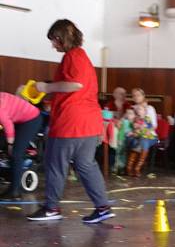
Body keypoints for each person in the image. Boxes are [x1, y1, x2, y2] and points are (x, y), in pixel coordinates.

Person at [27, 19, 114, 224]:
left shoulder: (73, 56)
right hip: (89, 123)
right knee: (86, 165)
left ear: (60, 38)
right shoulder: (82, 57)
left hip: (71, 123)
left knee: (55, 164)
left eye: (54, 41)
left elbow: (75, 84)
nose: (53, 45)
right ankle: (103, 207)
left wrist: (47, 88)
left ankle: (51, 208)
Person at [0, 91, 42, 199]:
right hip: (18, 119)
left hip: (31, 119)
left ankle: (14, 191)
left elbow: (8, 125)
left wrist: (10, 145)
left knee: (15, 153)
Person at [124, 103, 157, 176]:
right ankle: (131, 167)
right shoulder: (136, 119)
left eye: (141, 109)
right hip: (139, 135)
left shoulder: (147, 118)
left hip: (146, 135)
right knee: (141, 142)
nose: (139, 110)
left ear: (145, 111)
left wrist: (147, 129)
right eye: (138, 109)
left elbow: (151, 127)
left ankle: (135, 168)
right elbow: (135, 128)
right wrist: (138, 127)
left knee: (142, 142)